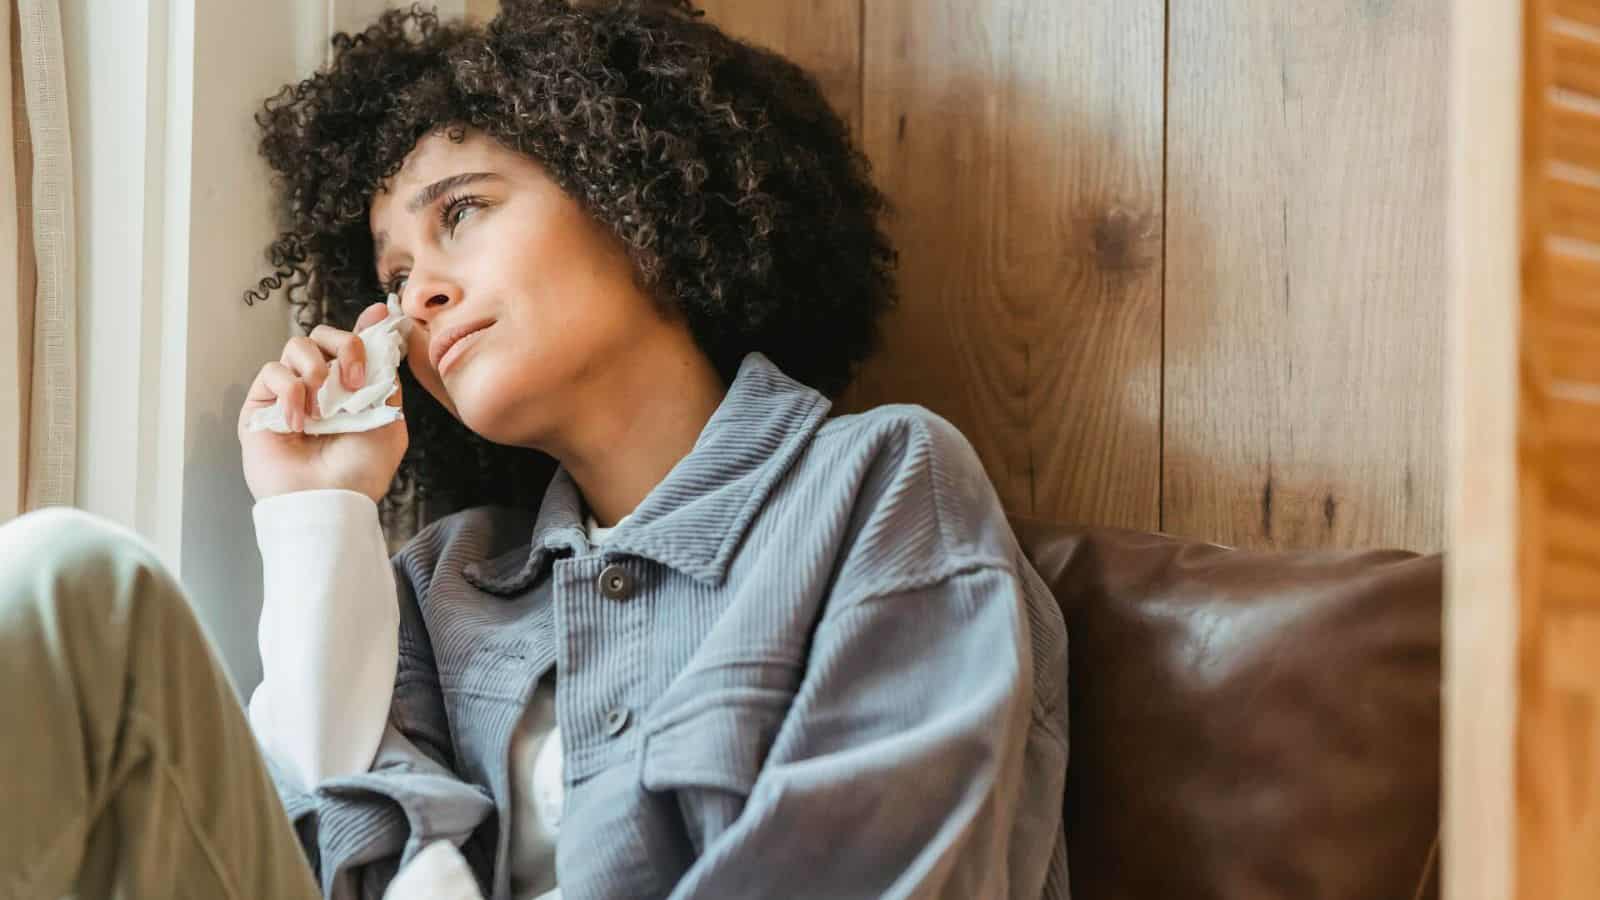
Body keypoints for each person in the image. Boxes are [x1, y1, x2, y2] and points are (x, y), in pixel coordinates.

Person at [0, 1, 1068, 898]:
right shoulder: (440, 580)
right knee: (62, 585)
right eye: (392, 275)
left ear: (633, 187)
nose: (418, 295)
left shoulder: (880, 486)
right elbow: (315, 866)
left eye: (461, 212)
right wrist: (316, 520)